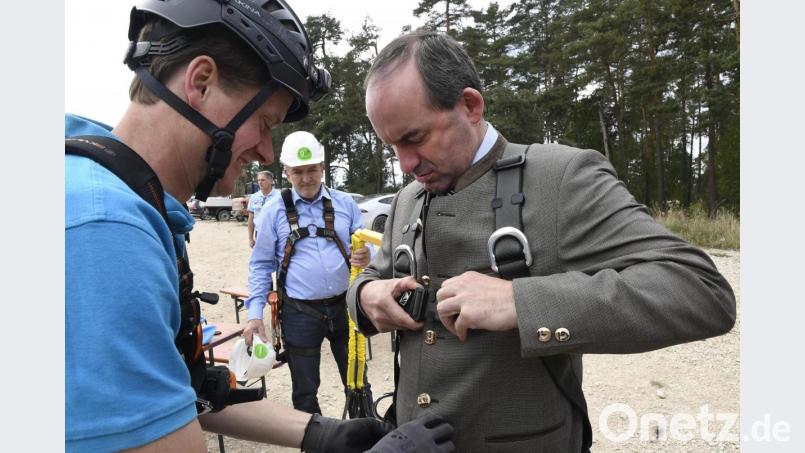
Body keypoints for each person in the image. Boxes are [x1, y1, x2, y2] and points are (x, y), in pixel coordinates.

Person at [65, 1, 452, 451]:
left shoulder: (125, 194)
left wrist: (319, 433)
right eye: (264, 122)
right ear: (201, 82)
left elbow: (189, 391)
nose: (267, 153)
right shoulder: (105, 231)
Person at [347, 30, 737, 452]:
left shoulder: (561, 178)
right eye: (392, 147)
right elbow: (373, 275)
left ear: (470, 105)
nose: (405, 165)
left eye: (414, 138)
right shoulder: (408, 199)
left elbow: (701, 292)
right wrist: (366, 295)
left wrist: (520, 302)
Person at [244, 130, 373, 415]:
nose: (306, 178)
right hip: (299, 312)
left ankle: (367, 438)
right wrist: (254, 315)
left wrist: (366, 255)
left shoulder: (344, 204)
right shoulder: (272, 211)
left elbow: (366, 247)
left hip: (345, 306)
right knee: (304, 392)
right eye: (298, 171)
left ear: (323, 168)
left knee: (358, 383)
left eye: (312, 170)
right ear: (286, 172)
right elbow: (261, 264)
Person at [248, 170, 280, 248]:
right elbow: (251, 219)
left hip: (276, 232)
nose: (260, 182)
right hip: (259, 233)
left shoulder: (279, 196)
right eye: (258, 180)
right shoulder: (254, 197)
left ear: (271, 181)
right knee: (262, 258)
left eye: (262, 180)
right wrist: (250, 239)